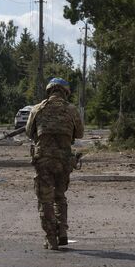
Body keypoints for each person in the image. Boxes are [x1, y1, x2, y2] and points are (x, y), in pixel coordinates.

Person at [25, 77, 84, 250]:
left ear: (49, 91)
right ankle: (63, 232)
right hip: (64, 160)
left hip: (43, 160)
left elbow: (29, 132)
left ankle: (51, 238)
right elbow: (79, 134)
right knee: (60, 196)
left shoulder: (37, 109)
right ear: (65, 92)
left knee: (45, 199)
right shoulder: (71, 110)